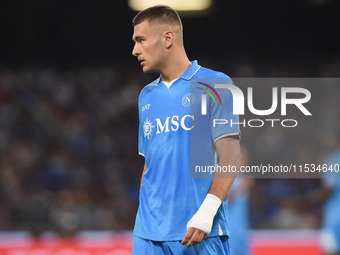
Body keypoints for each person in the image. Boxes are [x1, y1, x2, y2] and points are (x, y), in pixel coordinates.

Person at [131, 5, 241, 254]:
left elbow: (232, 155)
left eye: (141, 40)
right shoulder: (146, 96)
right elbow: (149, 164)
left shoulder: (215, 84)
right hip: (147, 235)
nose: (135, 50)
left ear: (167, 38)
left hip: (198, 231)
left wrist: (207, 212)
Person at [228, 148, 253, 255]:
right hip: (230, 230)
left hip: (242, 230)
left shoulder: (243, 178)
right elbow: (223, 201)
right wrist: (241, 188)